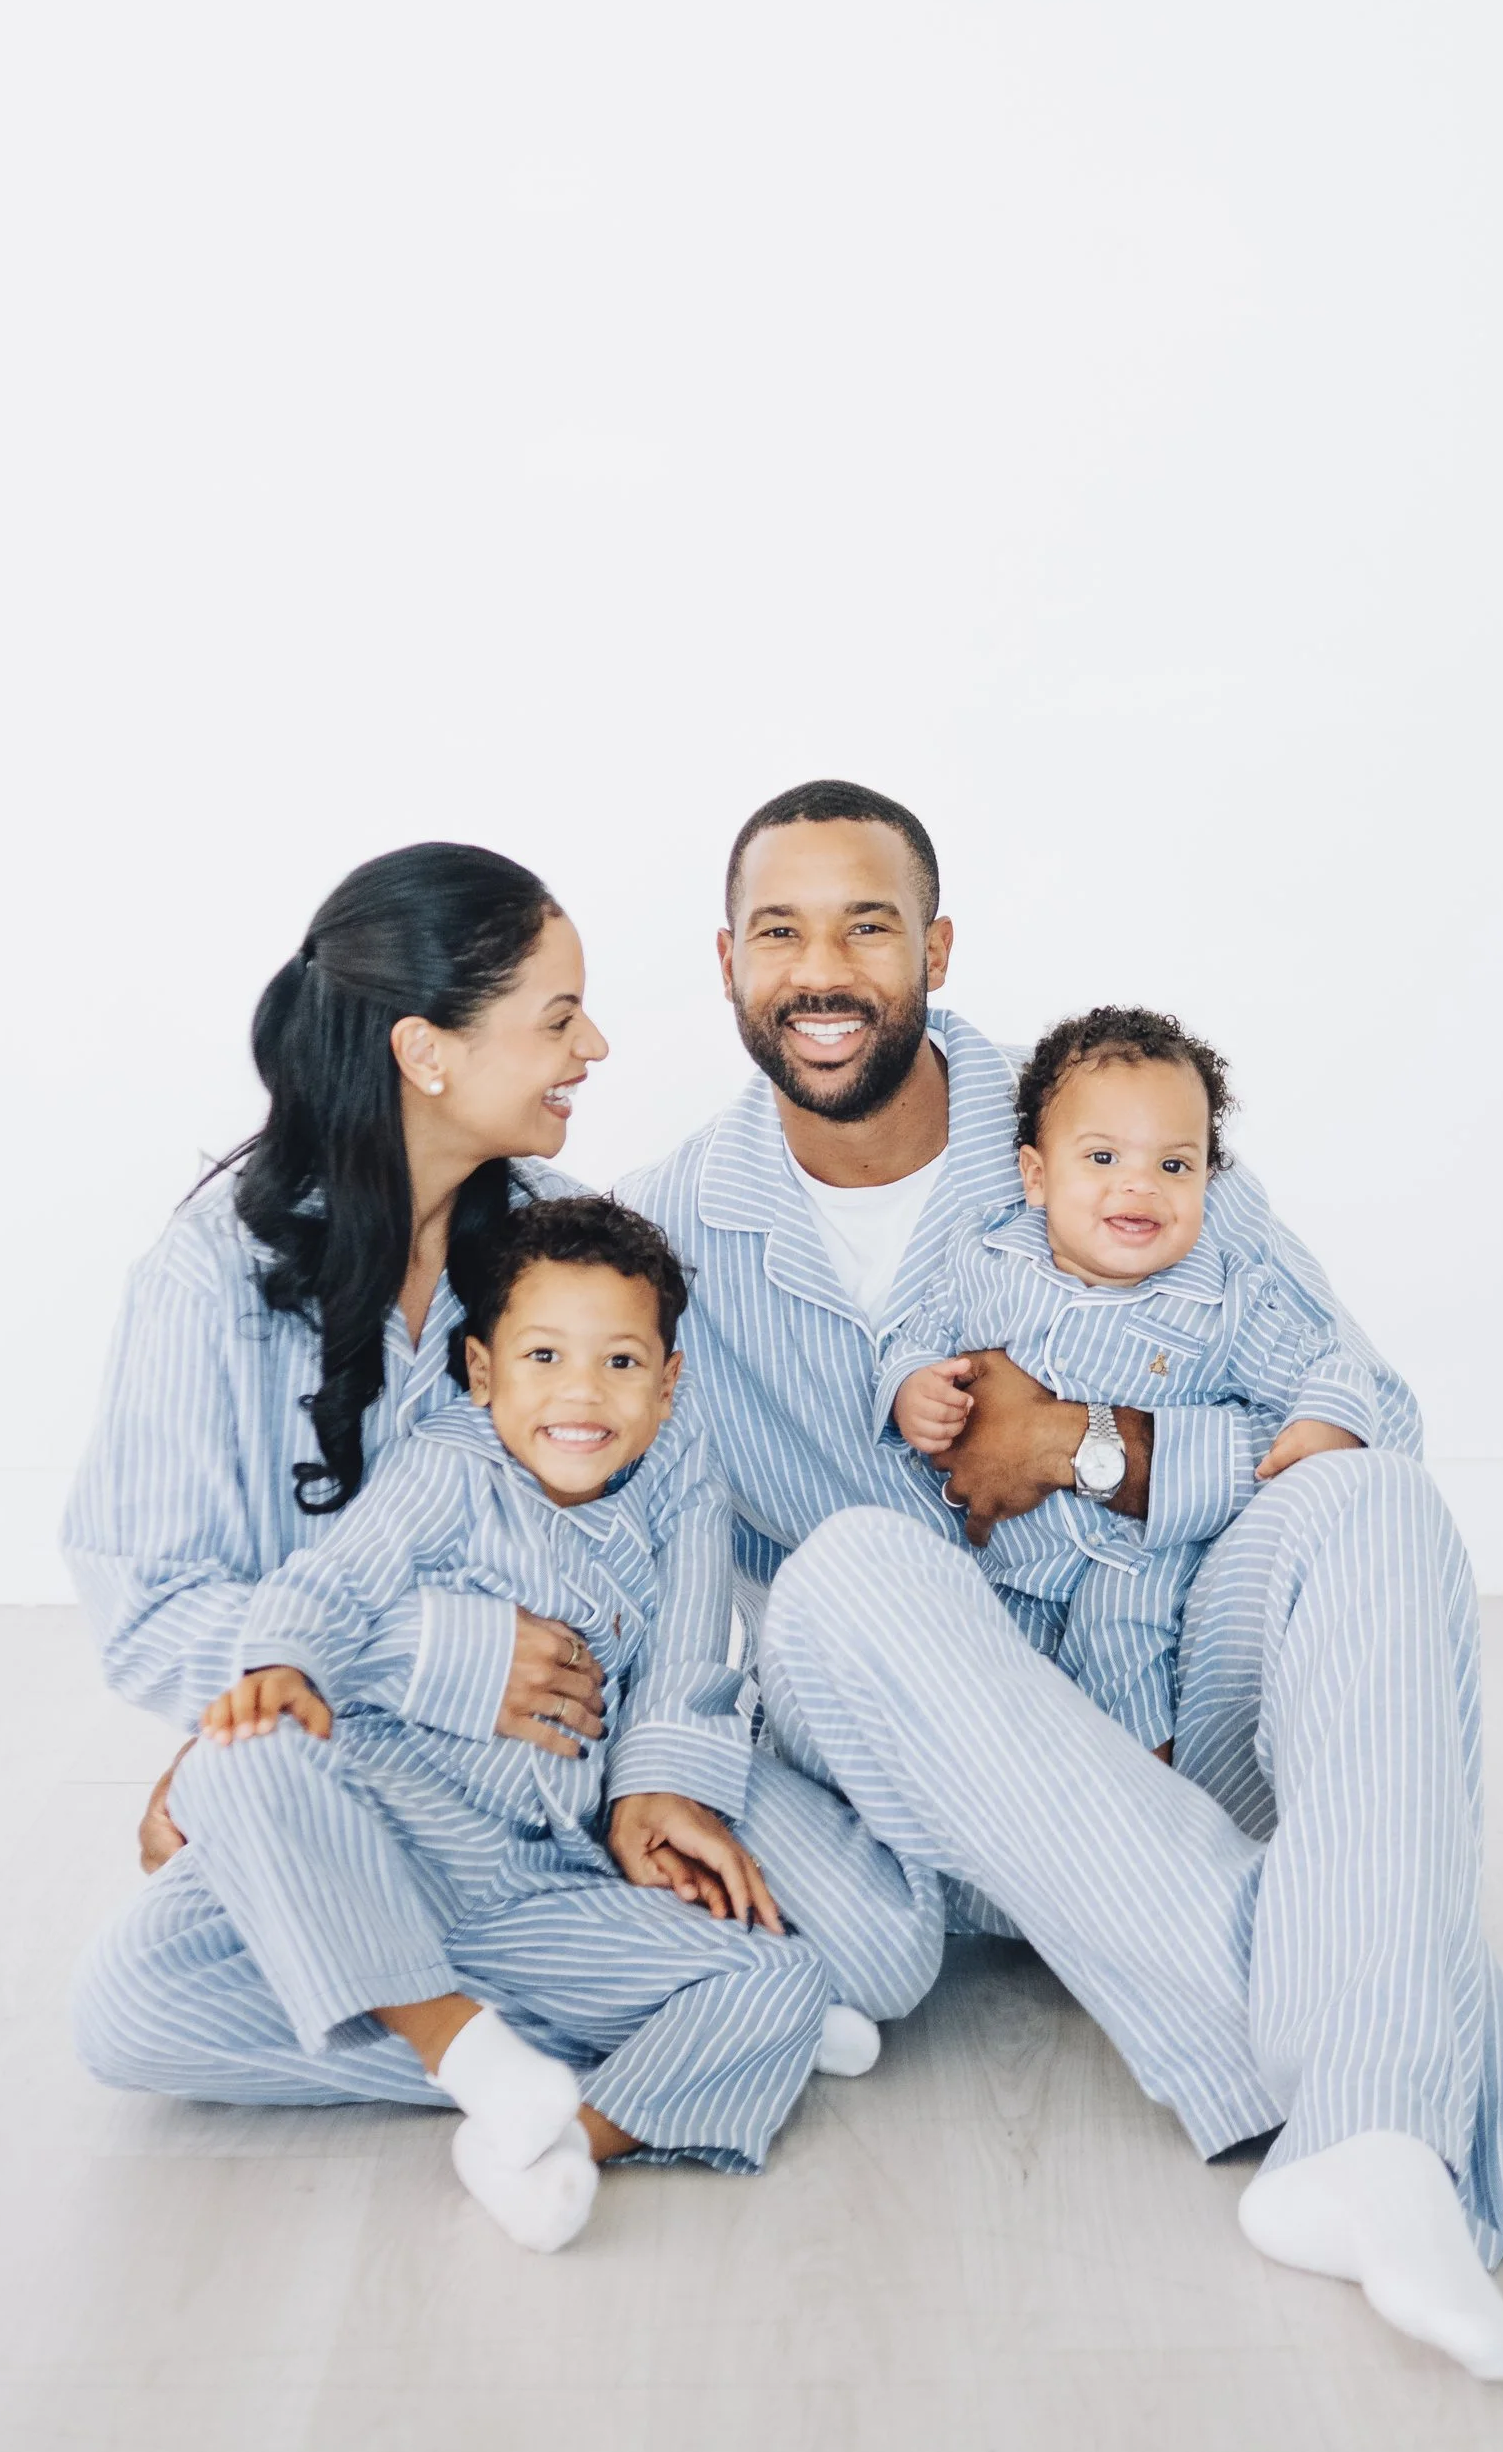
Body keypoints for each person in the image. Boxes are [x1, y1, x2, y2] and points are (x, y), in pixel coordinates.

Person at [625, 777, 1503, 2382]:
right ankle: (1450, 2068)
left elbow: (1365, 1400)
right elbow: (659, 1529)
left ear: (934, 945)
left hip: (1170, 1703)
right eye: (781, 930)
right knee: (854, 1568)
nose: (824, 968)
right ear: (727, 963)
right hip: (923, 1764)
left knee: (1373, 1507)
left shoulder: (1115, 1116)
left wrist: (1101, 1445)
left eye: (867, 925)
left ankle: (1368, 2136)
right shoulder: (673, 1226)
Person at [64, 839, 934, 2161]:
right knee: (136, 2011)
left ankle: (610, 1997)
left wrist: (659, 1779)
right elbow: (153, 1615)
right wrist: (439, 1661)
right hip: (389, 1777)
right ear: (428, 1053)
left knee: (882, 1951)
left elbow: (685, 1512)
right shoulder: (209, 1283)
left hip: (600, 1744)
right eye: (557, 1015)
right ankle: (610, 2045)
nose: (592, 1045)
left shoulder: (568, 1246)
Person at [180, 1197, 893, 2250]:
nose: (580, 1393)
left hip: (534, 1884)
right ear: (482, 1373)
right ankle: (465, 2051)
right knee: (233, 1761)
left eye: (618, 1363)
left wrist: (663, 1791)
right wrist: (284, 1666)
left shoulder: (676, 1490)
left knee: (781, 1977)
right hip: (387, 1840)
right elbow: (331, 1582)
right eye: (545, 1355)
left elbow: (688, 1666)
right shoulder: (449, 1469)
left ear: (667, 1382)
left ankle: (552, 2142)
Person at [880, 1004, 1396, 1755]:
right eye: (1102, 1160)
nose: (1140, 1187)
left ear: (1207, 1184)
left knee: (1123, 1642)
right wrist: (911, 1384)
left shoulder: (1222, 1299)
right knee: (979, 1674)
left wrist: (1327, 1422)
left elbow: (1327, 1361)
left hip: (1141, 1559)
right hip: (1003, 1562)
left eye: (1173, 1166)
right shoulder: (986, 1259)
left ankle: (1151, 1804)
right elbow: (917, 1333)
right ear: (1036, 1175)